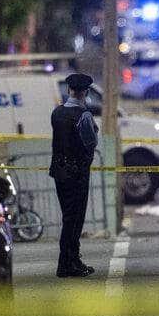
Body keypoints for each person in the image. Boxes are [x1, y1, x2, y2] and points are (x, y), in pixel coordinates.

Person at [48, 73, 98, 278]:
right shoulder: (83, 115)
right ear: (85, 92)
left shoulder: (57, 112)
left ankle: (72, 261)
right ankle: (67, 263)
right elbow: (90, 142)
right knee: (74, 220)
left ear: (69, 90)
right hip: (77, 173)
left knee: (69, 217)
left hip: (59, 171)